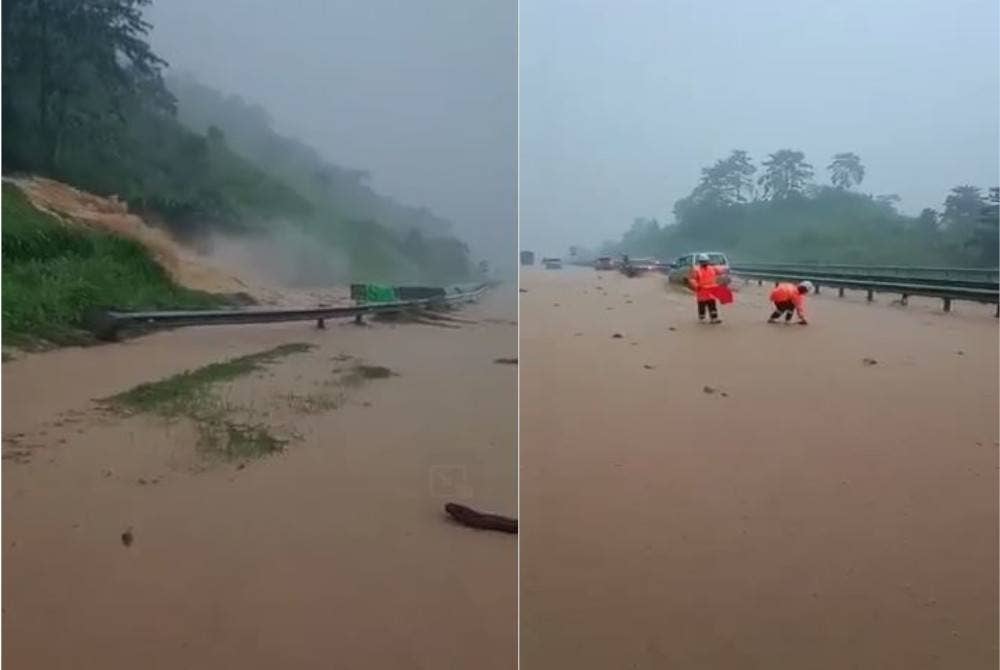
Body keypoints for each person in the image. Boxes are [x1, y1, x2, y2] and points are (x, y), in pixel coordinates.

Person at [688, 253, 721, 323]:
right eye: (703, 261)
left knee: (712, 305)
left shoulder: (712, 268)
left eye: (706, 261)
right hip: (702, 290)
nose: (705, 262)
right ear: (700, 262)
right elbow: (692, 279)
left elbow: (720, 272)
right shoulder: (696, 270)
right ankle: (702, 318)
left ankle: (714, 318)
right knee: (702, 305)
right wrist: (696, 286)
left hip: (711, 291)